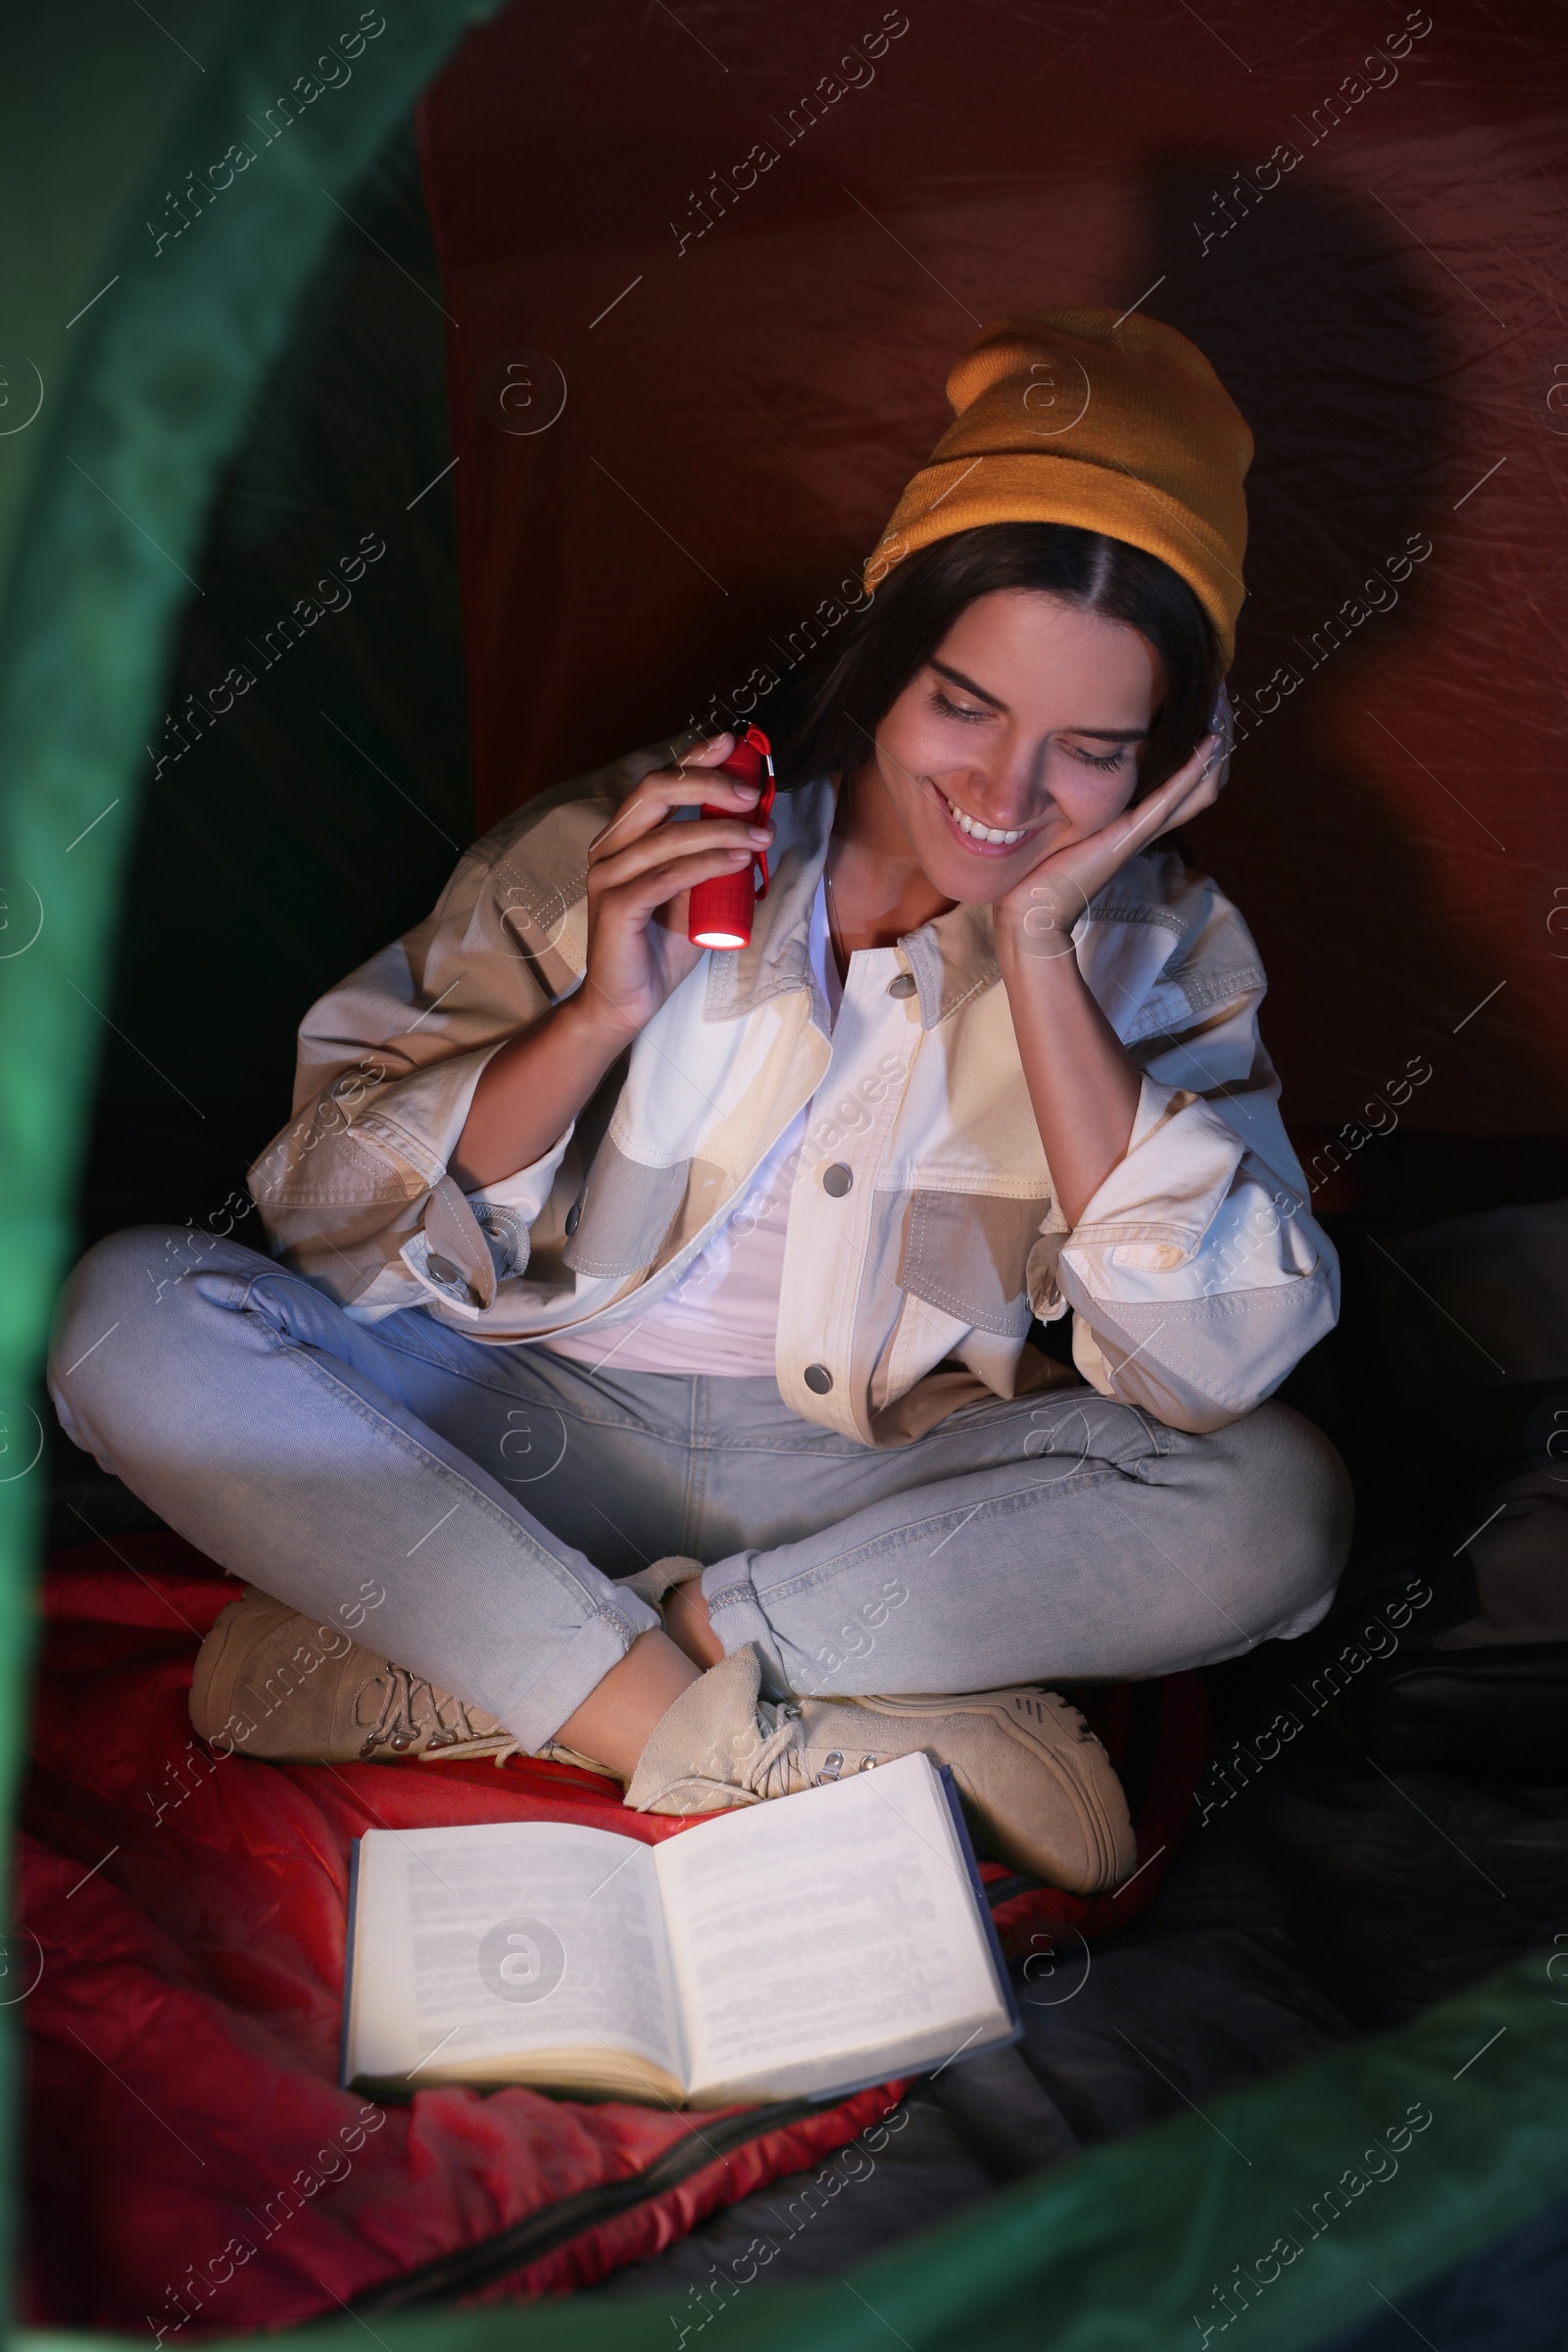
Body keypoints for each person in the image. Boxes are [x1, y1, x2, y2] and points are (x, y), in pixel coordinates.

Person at [48, 310, 1351, 1894]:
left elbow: (1212, 1366)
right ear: (885, 654)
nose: (1005, 800)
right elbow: (324, 1216)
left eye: (1089, 752)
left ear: (1169, 763)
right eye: (963, 707)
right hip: (518, 1425)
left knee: (1281, 1509)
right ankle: (755, 1734)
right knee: (130, 1317)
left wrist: (1037, 949)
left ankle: (506, 1669)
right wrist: (601, 1008)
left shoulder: (1165, 955)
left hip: (858, 1490)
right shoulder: (639, 834)